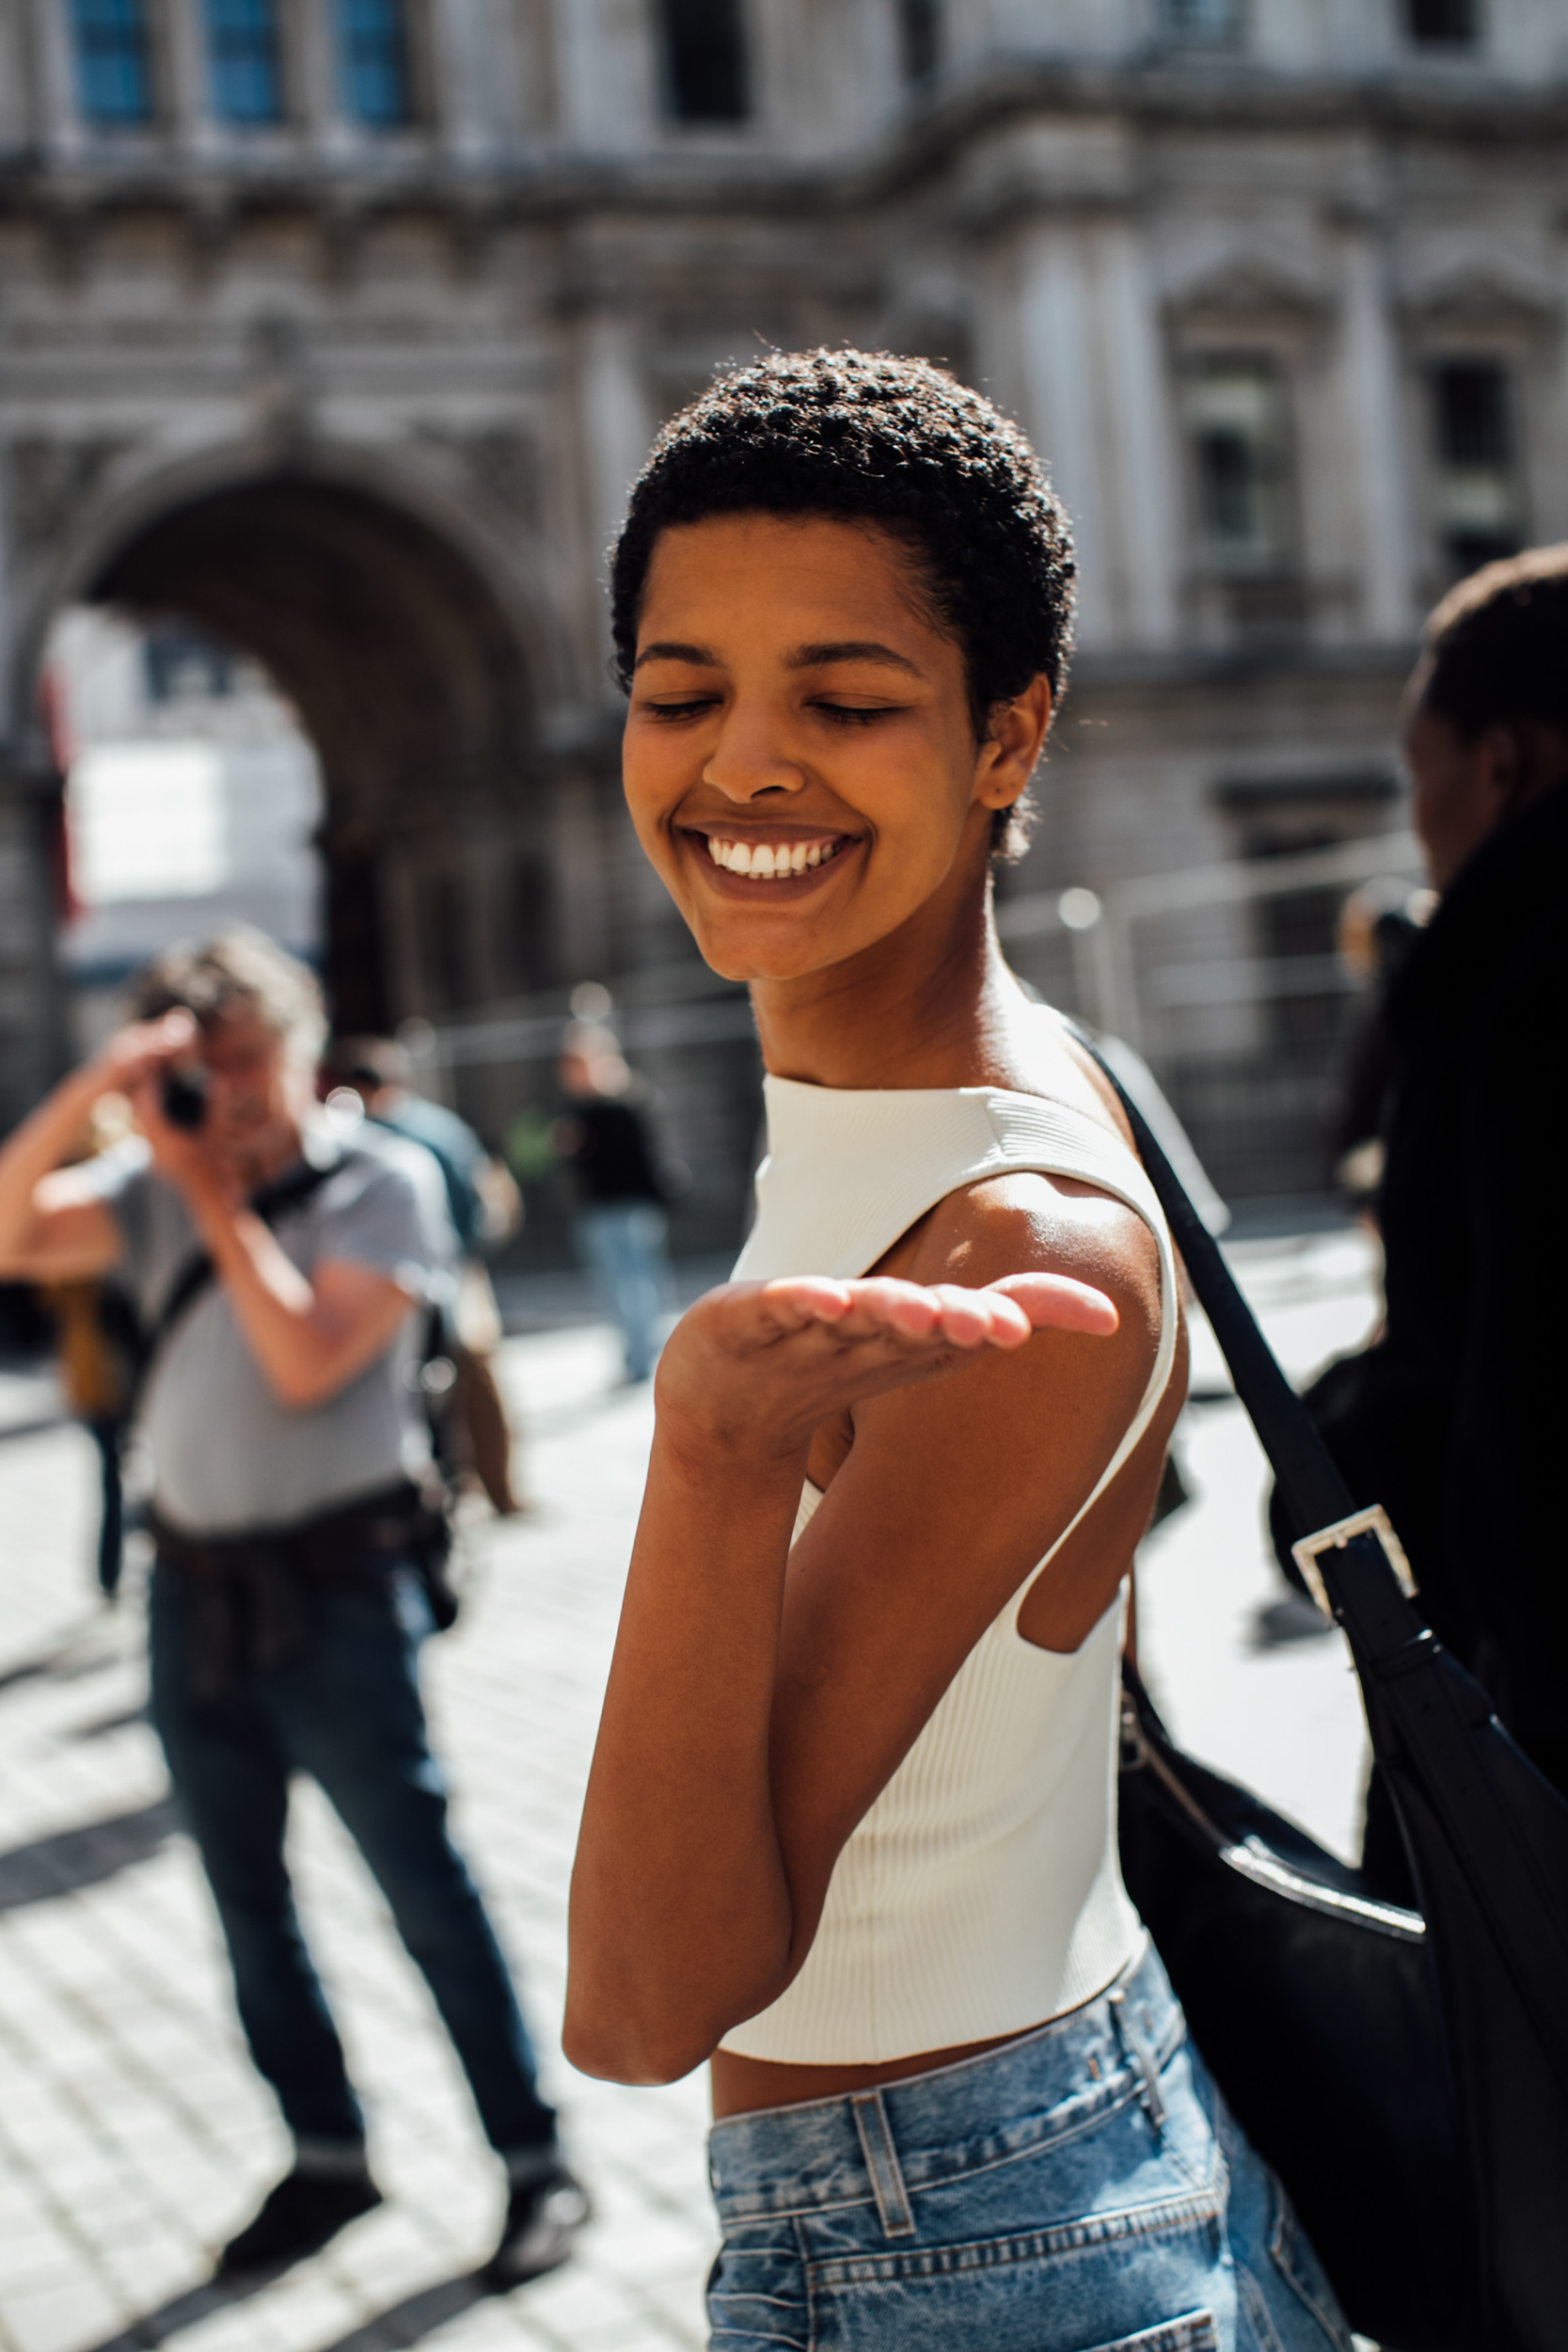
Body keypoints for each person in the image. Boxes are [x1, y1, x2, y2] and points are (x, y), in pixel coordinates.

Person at [564, 350, 1350, 2351]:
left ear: (1006, 736)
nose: (739, 763)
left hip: (952, 2241)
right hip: (1024, 2151)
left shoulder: (1010, 1244)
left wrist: (709, 1465)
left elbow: (650, 1999)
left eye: (842, 700)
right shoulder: (971, 1080)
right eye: (676, 693)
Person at [0, 930, 585, 2282]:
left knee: (419, 1886)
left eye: (248, 1060)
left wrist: (208, 1197)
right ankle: (326, 2156)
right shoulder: (153, 1180)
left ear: (305, 1048)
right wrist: (108, 1079)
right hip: (191, 1592)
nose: (232, 1090)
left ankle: (531, 2157)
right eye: (203, 1068)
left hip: (337, 1588)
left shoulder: (381, 1182)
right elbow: (11, 1226)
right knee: (244, 1898)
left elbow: (310, 1360)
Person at [1276, 547, 1568, 1879]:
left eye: (1418, 780)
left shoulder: (1510, 997)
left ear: (1500, 766)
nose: (1417, 821)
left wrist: (1331, 1462)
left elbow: (1503, 1438)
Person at [326, 1036, 526, 1514]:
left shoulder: (373, 1135)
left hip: (412, 1273)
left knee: (443, 1374)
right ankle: (497, 1487)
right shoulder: (443, 1126)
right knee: (474, 1372)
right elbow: (478, 1198)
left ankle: (466, 1483)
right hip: (456, 1265)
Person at [553, 1024, 674, 1384]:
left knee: (635, 1285)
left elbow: (635, 1155)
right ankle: (636, 1355)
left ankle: (642, 1358)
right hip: (599, 1207)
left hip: (628, 1206)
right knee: (621, 1286)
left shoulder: (622, 1102)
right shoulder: (583, 1107)